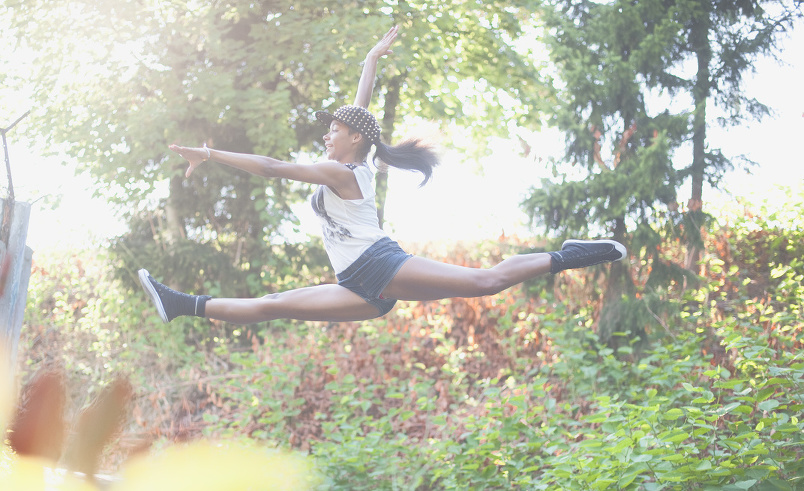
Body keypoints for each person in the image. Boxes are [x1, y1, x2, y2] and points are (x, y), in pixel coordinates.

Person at [138, 26, 626, 325]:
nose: (327, 135)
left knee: (485, 281)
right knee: (274, 304)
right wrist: (369, 62)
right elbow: (361, 111)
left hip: (378, 264)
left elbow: (270, 167)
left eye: (334, 130)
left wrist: (209, 151)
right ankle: (182, 305)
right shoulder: (357, 159)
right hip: (356, 283)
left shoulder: (341, 170)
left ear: (353, 140)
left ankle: (567, 255)